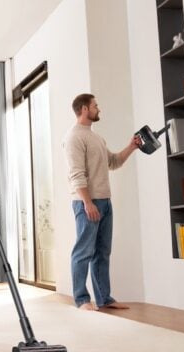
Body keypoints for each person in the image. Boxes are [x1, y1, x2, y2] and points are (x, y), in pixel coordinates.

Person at [63, 93, 140, 311]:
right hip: (87, 203)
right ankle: (81, 299)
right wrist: (87, 203)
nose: (99, 109)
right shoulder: (73, 137)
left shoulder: (96, 137)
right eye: (96, 105)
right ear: (85, 109)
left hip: (105, 201)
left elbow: (114, 162)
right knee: (83, 252)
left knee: (102, 252)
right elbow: (76, 174)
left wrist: (131, 146)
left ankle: (104, 298)